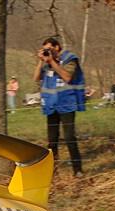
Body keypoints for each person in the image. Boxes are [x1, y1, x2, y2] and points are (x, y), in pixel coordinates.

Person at [33, 37, 85, 177]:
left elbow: (67, 77)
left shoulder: (69, 59)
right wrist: (41, 61)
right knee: (52, 140)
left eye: (49, 49)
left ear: (57, 47)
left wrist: (52, 62)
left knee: (69, 137)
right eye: (45, 49)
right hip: (51, 105)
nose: (47, 51)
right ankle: (53, 171)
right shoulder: (46, 62)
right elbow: (36, 78)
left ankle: (77, 170)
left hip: (67, 103)